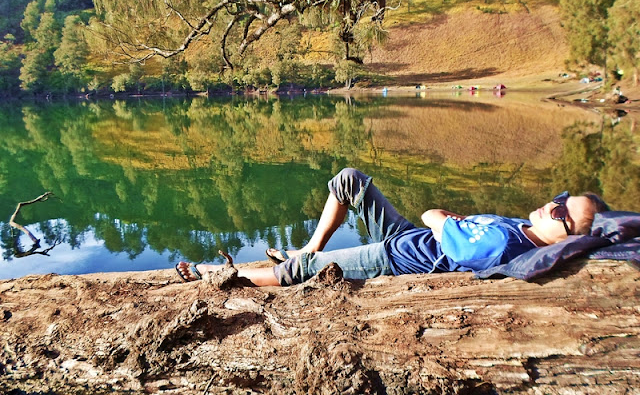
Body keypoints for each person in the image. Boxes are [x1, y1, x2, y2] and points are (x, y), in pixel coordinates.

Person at [175, 168, 610, 286]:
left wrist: (441, 218)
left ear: (567, 238)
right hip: (404, 236)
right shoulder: (520, 228)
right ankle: (308, 246)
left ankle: (213, 275)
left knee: (300, 273)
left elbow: (440, 225)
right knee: (348, 180)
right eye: (556, 200)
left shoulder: (502, 244)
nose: (548, 206)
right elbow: (441, 227)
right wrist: (443, 224)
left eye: (559, 212)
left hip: (395, 258)